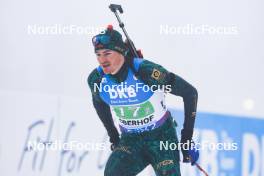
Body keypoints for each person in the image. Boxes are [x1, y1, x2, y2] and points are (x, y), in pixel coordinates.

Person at [88, 25, 199, 176]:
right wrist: (114, 137)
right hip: (131, 140)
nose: (102, 60)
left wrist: (186, 140)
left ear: (121, 52)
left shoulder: (145, 71)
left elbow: (190, 93)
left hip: (161, 138)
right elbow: (99, 104)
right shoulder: (96, 79)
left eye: (107, 53)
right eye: (98, 55)